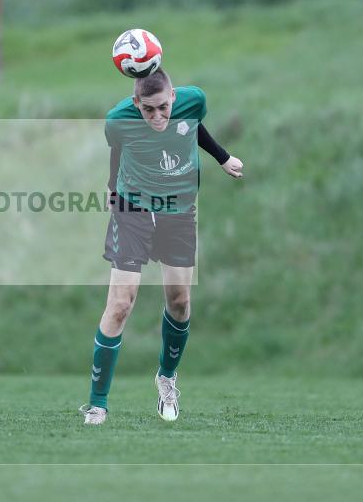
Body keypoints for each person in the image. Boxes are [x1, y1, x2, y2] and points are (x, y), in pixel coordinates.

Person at [80, 68, 243, 425]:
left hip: (179, 209)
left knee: (180, 300)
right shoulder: (118, 119)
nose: (157, 116)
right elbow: (118, 148)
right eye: (147, 109)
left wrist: (223, 157)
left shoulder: (193, 100)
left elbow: (194, 123)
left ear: (173, 98)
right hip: (133, 207)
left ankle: (167, 377)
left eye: (163, 107)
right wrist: (112, 189)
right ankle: (97, 404)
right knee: (121, 303)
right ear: (135, 102)